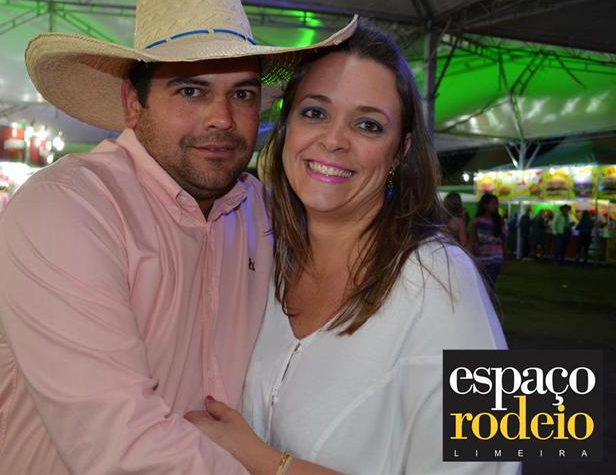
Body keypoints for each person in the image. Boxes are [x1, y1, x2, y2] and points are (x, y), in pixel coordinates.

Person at [0, 0, 358, 474]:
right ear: (133, 104)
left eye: (243, 94)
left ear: (405, 149)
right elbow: (122, 448)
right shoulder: (67, 209)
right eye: (191, 90)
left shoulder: (419, 268)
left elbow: (470, 434)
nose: (223, 118)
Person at [184, 27, 517, 474]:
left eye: (368, 125)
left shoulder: (444, 278)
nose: (334, 139)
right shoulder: (266, 258)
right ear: (286, 127)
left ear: (400, 151)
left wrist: (263, 461)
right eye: (315, 112)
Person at [471, 193, 507, 285]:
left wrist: (505, 256)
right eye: (493, 203)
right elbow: (474, 240)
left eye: (496, 204)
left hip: (496, 257)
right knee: (483, 284)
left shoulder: (499, 221)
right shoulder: (477, 221)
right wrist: (474, 255)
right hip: (482, 256)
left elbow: (504, 239)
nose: (495, 206)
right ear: (485, 205)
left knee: (490, 283)